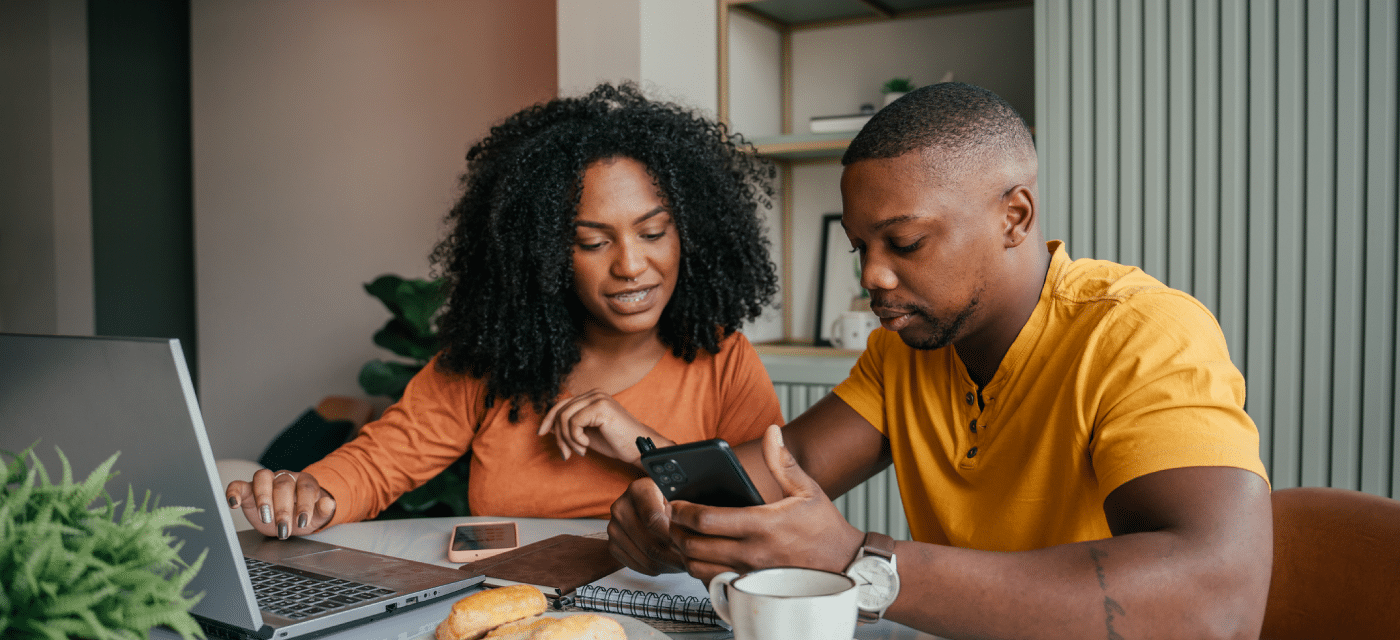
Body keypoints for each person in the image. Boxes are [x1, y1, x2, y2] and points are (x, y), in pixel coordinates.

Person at [607, 82, 1273, 640]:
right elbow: (793, 469)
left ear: (1014, 215)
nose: (874, 277)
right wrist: (665, 506)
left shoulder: (1141, 332)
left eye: (905, 242)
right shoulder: (906, 350)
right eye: (860, 248)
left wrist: (857, 560)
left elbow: (1217, 601)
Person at [226, 82, 784, 539]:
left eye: (654, 232)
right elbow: (377, 463)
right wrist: (311, 493)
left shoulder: (723, 360)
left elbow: (768, 510)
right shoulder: (494, 361)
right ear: (543, 253)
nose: (632, 265)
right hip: (517, 604)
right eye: (592, 243)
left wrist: (644, 447)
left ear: (689, 232)